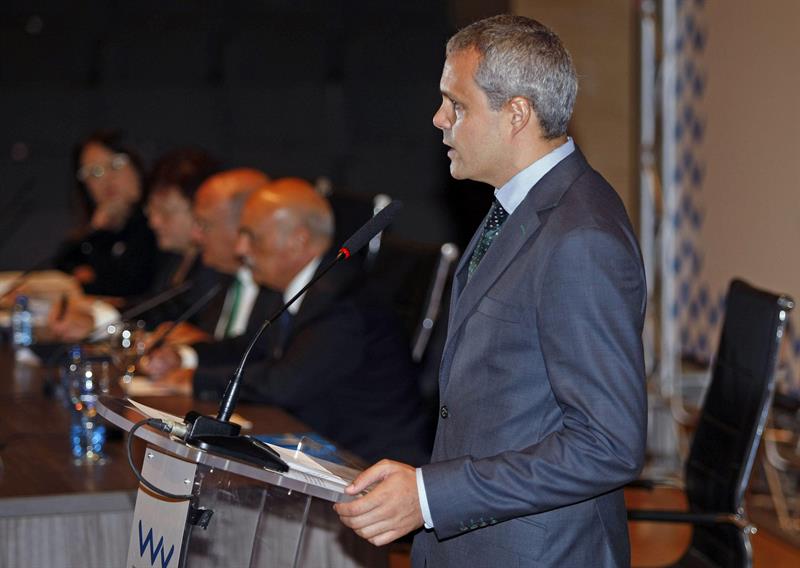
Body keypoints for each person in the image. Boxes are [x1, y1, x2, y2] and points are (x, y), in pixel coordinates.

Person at [335, 15, 647, 567]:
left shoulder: (582, 238)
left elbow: (607, 444)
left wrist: (431, 497)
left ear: (517, 114)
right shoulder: (518, 206)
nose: (438, 120)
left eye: (456, 104)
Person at [146, 179, 430, 465]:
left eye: (252, 236)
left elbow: (284, 384)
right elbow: (251, 347)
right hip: (320, 445)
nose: (241, 248)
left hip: (371, 465)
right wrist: (185, 357)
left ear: (298, 241)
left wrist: (196, 380)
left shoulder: (345, 301)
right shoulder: (293, 287)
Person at [52, 129, 158, 298]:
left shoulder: (157, 222)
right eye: (94, 172)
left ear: (137, 163)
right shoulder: (106, 228)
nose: (107, 179)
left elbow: (127, 286)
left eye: (115, 164)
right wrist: (97, 230)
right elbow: (61, 267)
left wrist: (91, 280)